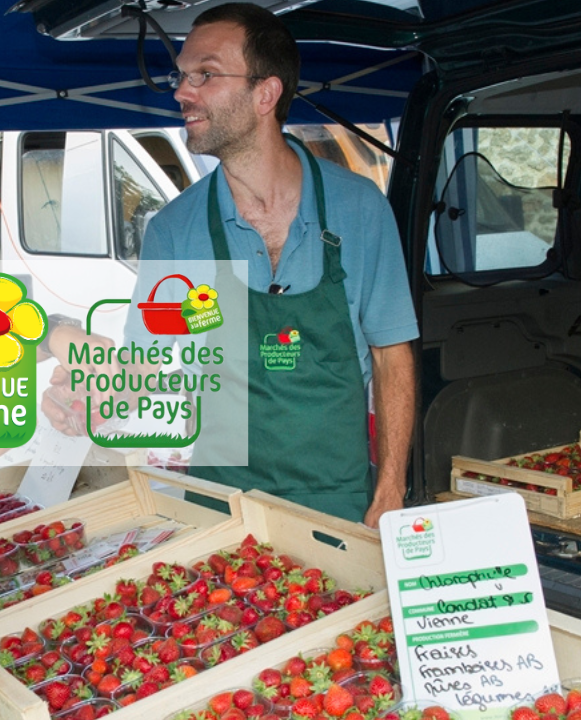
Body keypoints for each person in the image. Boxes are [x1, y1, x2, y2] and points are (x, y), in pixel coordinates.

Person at [42, 3, 418, 528]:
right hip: (223, 512)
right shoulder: (174, 231)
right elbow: (142, 370)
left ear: (266, 93)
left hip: (341, 505)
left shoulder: (361, 210)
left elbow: (391, 354)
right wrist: (88, 398)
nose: (180, 91)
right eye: (181, 76)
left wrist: (391, 491)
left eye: (205, 74)